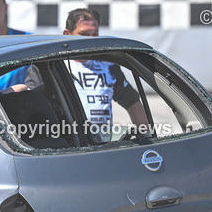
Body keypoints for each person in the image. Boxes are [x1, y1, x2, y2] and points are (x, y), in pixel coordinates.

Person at [62, 8, 150, 142]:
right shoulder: (52, 64)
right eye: (84, 34)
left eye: (94, 34)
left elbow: (131, 100)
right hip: (66, 145)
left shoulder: (108, 65)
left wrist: (146, 137)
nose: (90, 40)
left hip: (103, 145)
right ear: (67, 34)